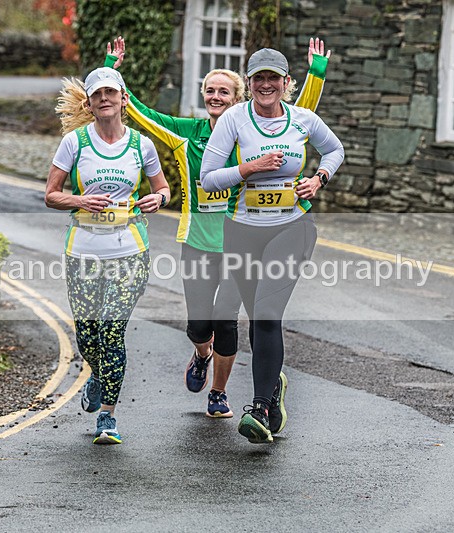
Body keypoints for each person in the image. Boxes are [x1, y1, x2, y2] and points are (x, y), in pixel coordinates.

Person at [105, 37, 330, 418]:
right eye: (209, 90)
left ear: (237, 97)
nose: (215, 96)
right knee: (199, 325)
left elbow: (300, 114)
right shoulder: (186, 134)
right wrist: (112, 70)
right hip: (197, 240)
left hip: (238, 238)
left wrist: (317, 73)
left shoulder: (252, 128)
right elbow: (138, 113)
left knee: (227, 321)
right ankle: (200, 354)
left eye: (223, 91)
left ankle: (220, 393)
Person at [200, 48, 345, 444]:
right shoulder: (233, 119)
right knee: (255, 316)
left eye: (274, 78)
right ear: (248, 84)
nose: (266, 85)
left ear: (285, 83)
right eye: (259, 78)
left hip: (292, 227)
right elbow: (208, 178)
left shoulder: (302, 119)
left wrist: (319, 179)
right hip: (243, 230)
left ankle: (260, 408)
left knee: (266, 313)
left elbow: (335, 149)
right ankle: (273, 384)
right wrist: (249, 169)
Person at [45, 67, 170, 445]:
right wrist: (80, 200)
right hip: (83, 249)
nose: (104, 99)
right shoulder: (74, 142)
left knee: (112, 331)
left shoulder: (141, 146)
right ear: (89, 101)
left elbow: (162, 188)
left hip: (129, 249)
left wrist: (158, 199)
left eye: (110, 93)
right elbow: (51, 194)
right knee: (88, 334)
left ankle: (107, 417)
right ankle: (98, 374)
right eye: (97, 94)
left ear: (122, 99)